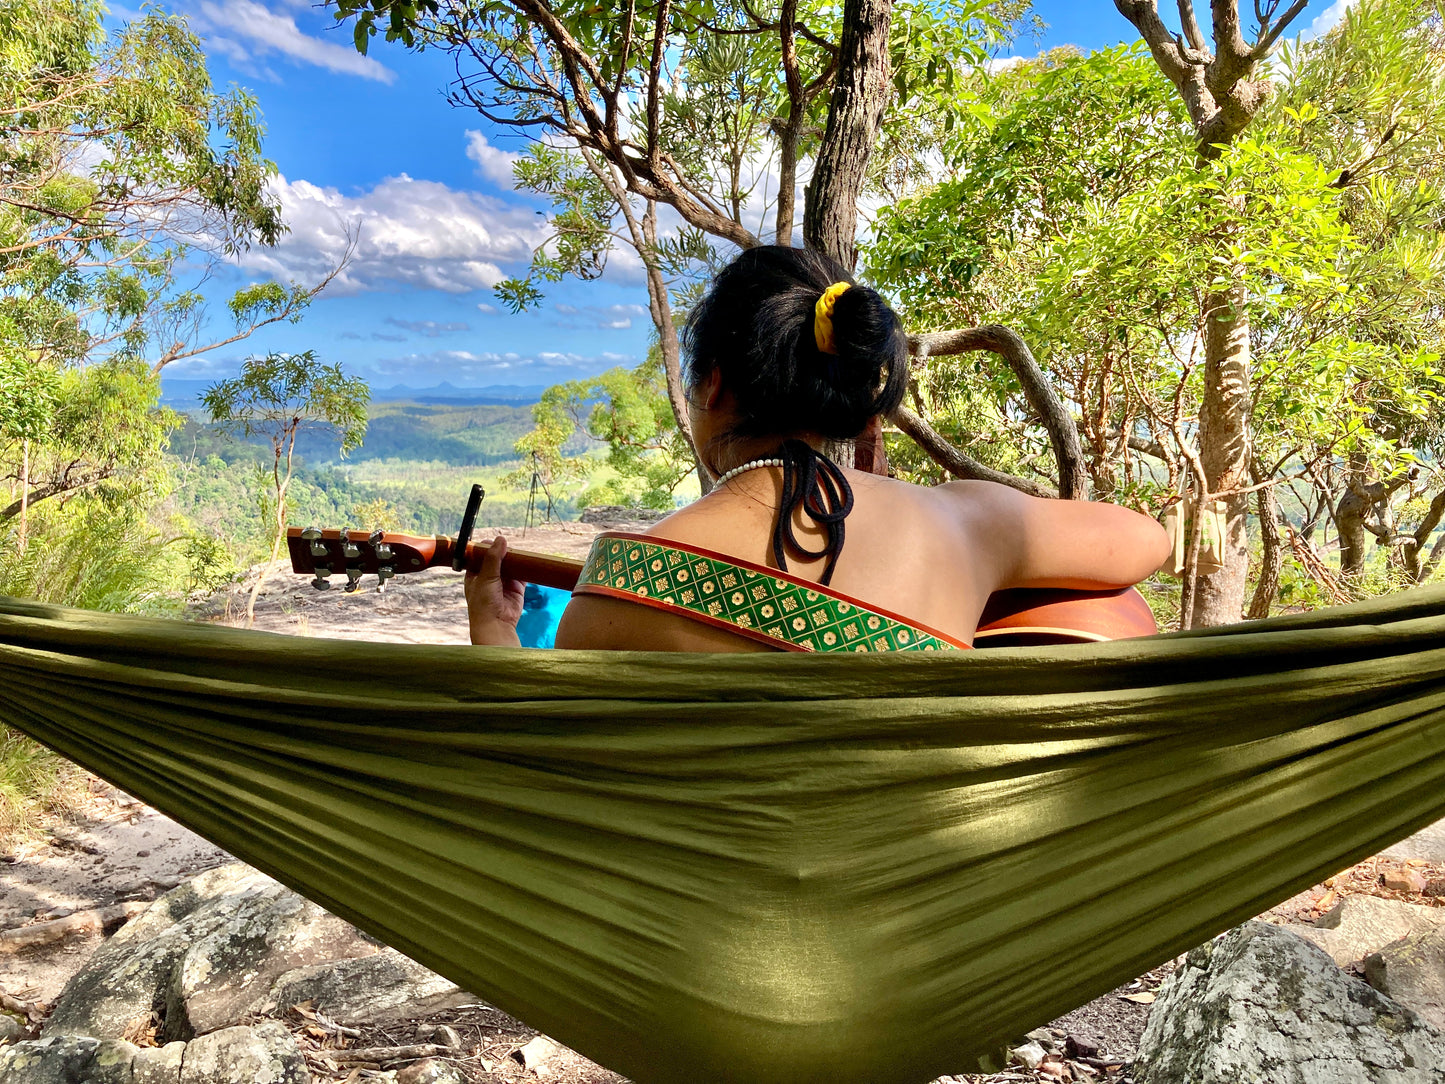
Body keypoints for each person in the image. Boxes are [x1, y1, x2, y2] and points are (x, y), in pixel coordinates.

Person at [466, 246, 1170, 652]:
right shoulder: (971, 524)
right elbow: (1145, 541)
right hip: (921, 891)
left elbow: (549, 795)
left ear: (713, 386)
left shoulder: (623, 587)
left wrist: (495, 635)